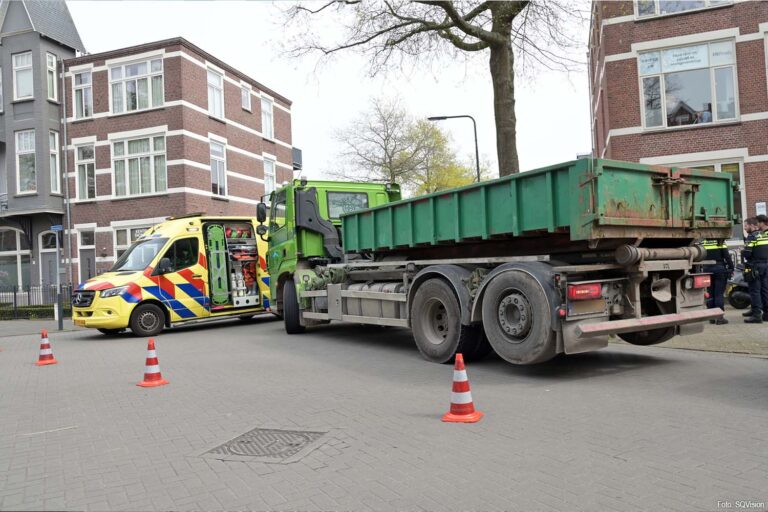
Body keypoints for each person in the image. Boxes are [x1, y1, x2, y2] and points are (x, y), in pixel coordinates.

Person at [742, 215, 768, 323]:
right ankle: (766, 314)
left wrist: (742, 251)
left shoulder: (752, 237)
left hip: (754, 266)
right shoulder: (763, 235)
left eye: (745, 225)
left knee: (754, 290)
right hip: (765, 265)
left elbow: (747, 254)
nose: (744, 227)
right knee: (764, 289)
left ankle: (757, 315)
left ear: (752, 226)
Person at [702, 238, 734, 324]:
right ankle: (719, 318)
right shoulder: (720, 242)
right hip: (719, 269)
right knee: (718, 294)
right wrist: (731, 268)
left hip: (706, 269)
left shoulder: (703, 242)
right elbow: (727, 256)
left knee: (710, 293)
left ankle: (712, 317)